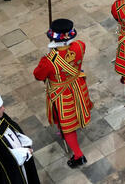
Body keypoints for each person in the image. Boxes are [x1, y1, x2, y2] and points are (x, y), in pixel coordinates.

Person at [32, 19, 93, 168]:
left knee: (68, 126)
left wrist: (49, 57)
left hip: (61, 94)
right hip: (78, 85)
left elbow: (38, 75)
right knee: (76, 113)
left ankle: (78, 155)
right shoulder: (80, 46)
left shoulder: (48, 60)